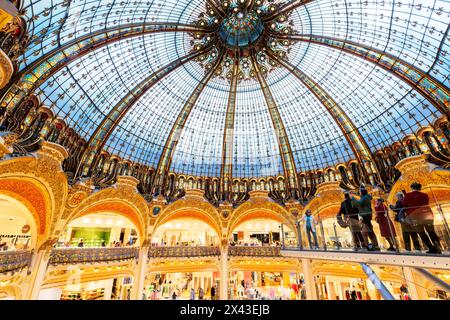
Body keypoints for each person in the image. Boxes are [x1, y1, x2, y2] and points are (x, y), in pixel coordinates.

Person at [402, 182, 442, 254]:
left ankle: (431, 248)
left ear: (412, 188)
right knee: (431, 232)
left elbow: (404, 204)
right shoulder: (425, 195)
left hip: (415, 216)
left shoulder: (408, 195)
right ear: (420, 188)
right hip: (427, 215)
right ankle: (437, 246)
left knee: (421, 233)